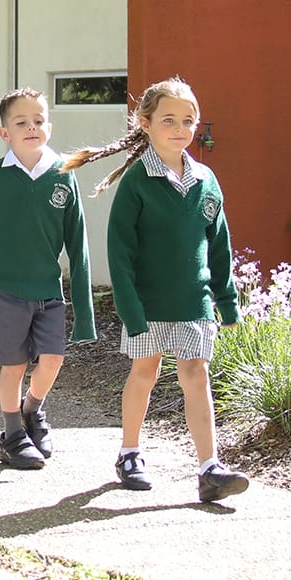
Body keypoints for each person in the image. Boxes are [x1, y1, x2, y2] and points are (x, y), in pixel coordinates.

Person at [63, 76, 248, 502]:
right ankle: (129, 453)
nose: (180, 128)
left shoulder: (206, 180)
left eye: (188, 120)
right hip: (147, 304)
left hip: (195, 302)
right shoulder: (137, 182)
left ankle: (210, 468)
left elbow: (219, 245)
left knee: (195, 374)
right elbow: (120, 251)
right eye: (169, 120)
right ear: (145, 124)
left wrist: (227, 302)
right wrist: (130, 308)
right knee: (145, 372)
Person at [0, 88, 95, 470]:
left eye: (38, 121)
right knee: (14, 365)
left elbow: (78, 243)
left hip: (48, 290)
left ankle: (31, 410)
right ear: (5, 133)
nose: (31, 127)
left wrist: (84, 310)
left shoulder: (63, 175)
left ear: (49, 127)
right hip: (5, 290)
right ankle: (12, 436)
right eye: (21, 122)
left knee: (52, 360)